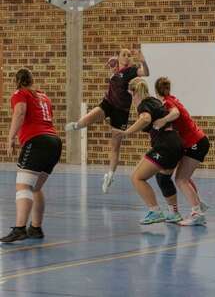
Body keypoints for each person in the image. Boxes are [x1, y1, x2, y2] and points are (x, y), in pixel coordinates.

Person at [65, 49, 149, 193]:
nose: (127, 57)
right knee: (88, 119)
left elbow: (146, 73)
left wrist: (142, 60)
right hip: (108, 103)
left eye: (129, 55)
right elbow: (113, 72)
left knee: (115, 146)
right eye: (124, 55)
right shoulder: (115, 69)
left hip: (121, 111)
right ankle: (77, 125)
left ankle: (110, 175)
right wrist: (112, 65)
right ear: (119, 57)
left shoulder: (132, 71)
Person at [0, 68, 62, 243]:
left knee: (23, 187)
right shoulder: (43, 96)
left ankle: (20, 229)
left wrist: (10, 137)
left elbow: (20, 112)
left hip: (37, 142)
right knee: (35, 188)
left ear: (17, 81)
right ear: (32, 80)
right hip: (54, 142)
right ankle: (35, 228)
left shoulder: (20, 94)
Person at [116, 78, 187, 225]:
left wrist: (126, 132)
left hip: (165, 145)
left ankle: (155, 211)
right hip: (176, 143)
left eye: (131, 95)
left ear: (135, 93)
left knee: (137, 177)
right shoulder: (155, 101)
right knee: (163, 178)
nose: (132, 99)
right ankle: (174, 213)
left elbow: (146, 119)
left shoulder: (144, 104)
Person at [153, 77, 210, 225]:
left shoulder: (167, 102)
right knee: (184, 176)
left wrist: (163, 121)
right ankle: (199, 205)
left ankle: (197, 212)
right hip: (198, 141)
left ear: (155, 91)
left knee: (180, 179)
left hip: (196, 142)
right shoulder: (172, 98)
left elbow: (176, 113)